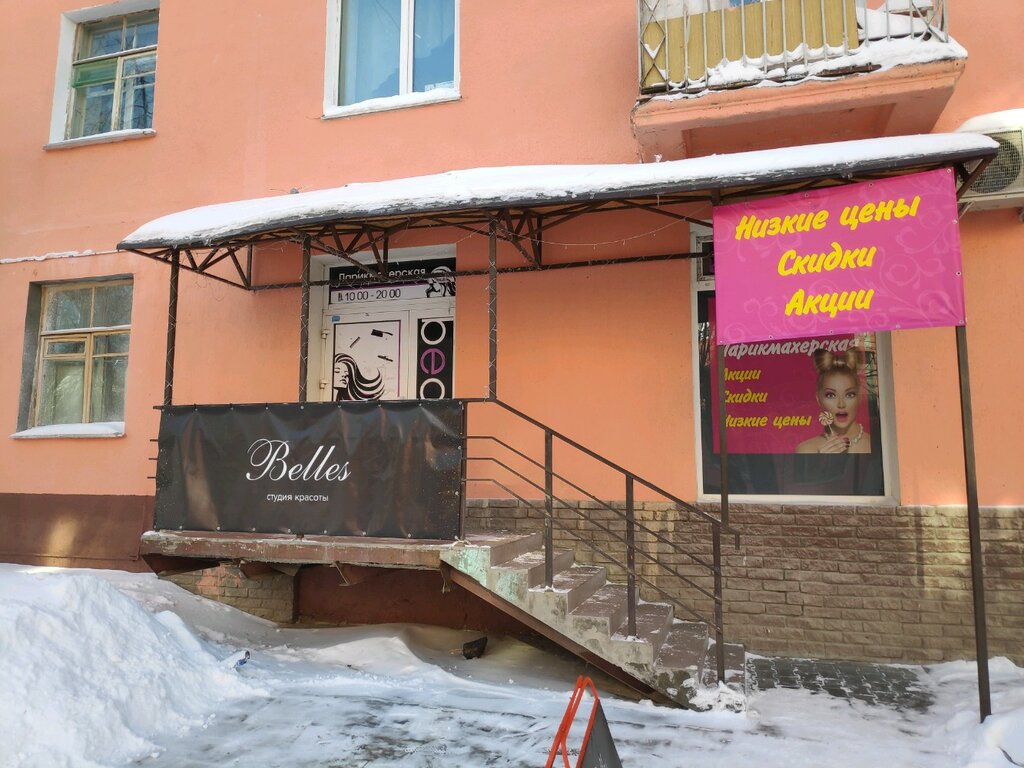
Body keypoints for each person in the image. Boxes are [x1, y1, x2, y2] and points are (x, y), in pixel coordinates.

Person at [796, 348, 870, 454]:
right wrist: (822, 461)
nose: (841, 404)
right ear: (819, 399)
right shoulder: (806, 449)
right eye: (831, 395)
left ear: (859, 397)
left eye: (849, 394)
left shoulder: (874, 445)